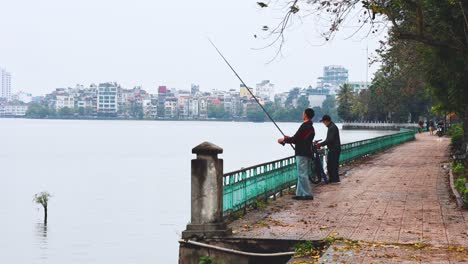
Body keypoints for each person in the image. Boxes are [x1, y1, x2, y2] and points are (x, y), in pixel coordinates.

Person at [277, 108, 315, 200]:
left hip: (302, 153)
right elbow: (299, 139)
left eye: (303, 113)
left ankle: (307, 194)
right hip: (306, 152)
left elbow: (296, 139)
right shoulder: (311, 127)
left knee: (302, 174)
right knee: (301, 174)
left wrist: (284, 140)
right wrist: (288, 139)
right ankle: (300, 193)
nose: (302, 114)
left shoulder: (305, 126)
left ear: (305, 115)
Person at [316, 115, 341, 184]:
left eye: (323, 122)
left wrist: (320, 144)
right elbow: (329, 139)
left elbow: (330, 140)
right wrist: (321, 144)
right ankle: (333, 179)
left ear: (326, 121)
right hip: (334, 149)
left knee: (332, 164)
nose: (323, 124)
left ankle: (334, 180)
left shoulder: (332, 128)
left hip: (334, 149)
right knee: (331, 164)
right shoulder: (332, 126)